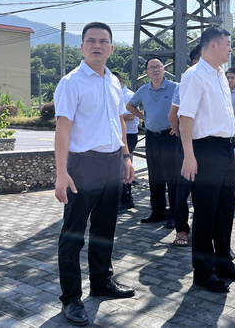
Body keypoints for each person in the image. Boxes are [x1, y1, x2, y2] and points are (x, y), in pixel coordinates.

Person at [54, 22, 136, 327]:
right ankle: (71, 298)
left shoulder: (113, 81)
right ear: (82, 47)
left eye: (103, 41)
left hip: (113, 163)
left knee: (105, 229)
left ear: (111, 48)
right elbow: (63, 128)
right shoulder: (71, 82)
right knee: (73, 235)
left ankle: (101, 281)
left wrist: (126, 157)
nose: (97, 45)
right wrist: (61, 173)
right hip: (82, 166)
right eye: (91, 41)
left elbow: (120, 121)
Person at [178, 27, 235, 293]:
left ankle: (223, 263)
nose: (230, 48)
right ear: (212, 45)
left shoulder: (220, 75)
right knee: (205, 214)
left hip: (226, 149)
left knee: (225, 211)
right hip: (205, 150)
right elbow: (185, 117)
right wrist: (189, 156)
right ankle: (203, 271)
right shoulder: (194, 75)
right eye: (227, 44)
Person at [126, 58, 178, 229]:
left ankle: (174, 214)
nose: (155, 70)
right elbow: (130, 106)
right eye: (151, 68)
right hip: (151, 137)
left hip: (170, 137)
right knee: (155, 176)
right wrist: (144, 117)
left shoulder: (175, 87)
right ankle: (158, 212)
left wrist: (177, 124)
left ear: (164, 69)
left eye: (158, 67)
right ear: (147, 72)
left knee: (172, 177)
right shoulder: (143, 90)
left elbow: (187, 107)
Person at [168, 44, 201, 247]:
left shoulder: (217, 83)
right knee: (183, 189)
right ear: (195, 62)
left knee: (203, 190)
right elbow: (173, 116)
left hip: (207, 146)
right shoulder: (184, 85)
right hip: (187, 145)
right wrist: (182, 136)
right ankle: (181, 230)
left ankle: (201, 230)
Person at [113, 72, 140, 212]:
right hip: (118, 135)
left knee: (124, 167)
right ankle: (122, 198)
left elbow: (131, 116)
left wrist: (113, 115)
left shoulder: (128, 95)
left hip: (129, 135)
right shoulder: (113, 94)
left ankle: (127, 199)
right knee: (119, 168)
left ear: (120, 81)